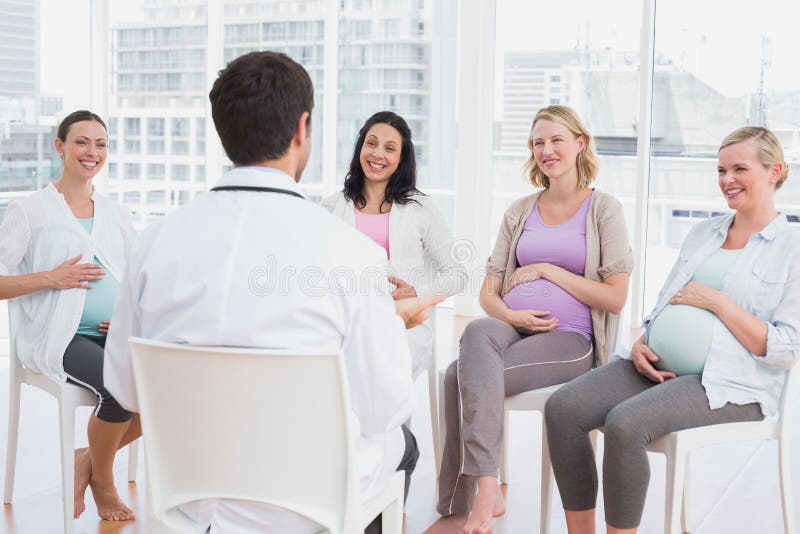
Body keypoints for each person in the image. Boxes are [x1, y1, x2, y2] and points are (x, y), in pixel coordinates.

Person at [102, 51, 441, 534]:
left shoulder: (154, 243)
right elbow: (384, 407)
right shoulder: (353, 254)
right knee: (402, 444)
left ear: (224, 129)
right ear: (302, 129)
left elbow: (126, 388)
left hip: (190, 497)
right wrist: (396, 322)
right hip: (308, 502)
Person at [544, 126, 800, 534]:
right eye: (721, 170)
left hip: (731, 381)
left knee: (625, 424)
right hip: (656, 363)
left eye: (739, 168)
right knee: (563, 407)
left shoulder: (792, 248)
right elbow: (665, 302)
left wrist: (719, 303)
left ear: (775, 171)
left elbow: (786, 349)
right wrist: (644, 340)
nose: (727, 180)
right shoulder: (705, 233)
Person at [431, 105, 633, 534]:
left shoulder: (604, 210)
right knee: (479, 329)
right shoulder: (520, 210)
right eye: (538, 142)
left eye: (556, 139)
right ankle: (488, 485)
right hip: (512, 325)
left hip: (571, 338)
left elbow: (616, 298)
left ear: (580, 143)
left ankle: (460, 503)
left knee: (456, 377)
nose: (546, 150)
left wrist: (548, 270)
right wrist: (512, 314)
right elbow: (488, 292)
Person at [0, 110, 139, 521]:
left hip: (112, 332)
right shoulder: (29, 211)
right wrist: (52, 277)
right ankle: (104, 483)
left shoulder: (116, 214)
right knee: (121, 389)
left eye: (100, 144)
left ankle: (87, 459)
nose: (91, 152)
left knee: (163, 385)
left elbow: (133, 280)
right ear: (60, 147)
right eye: (81, 142)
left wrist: (130, 318)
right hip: (61, 336)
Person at [322, 111, 468, 379]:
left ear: (401, 158)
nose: (378, 154)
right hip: (347, 320)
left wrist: (417, 294)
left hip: (404, 322)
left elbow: (457, 275)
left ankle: (386, 421)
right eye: (371, 143)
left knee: (380, 362)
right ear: (360, 148)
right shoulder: (331, 207)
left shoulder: (421, 209)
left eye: (390, 148)